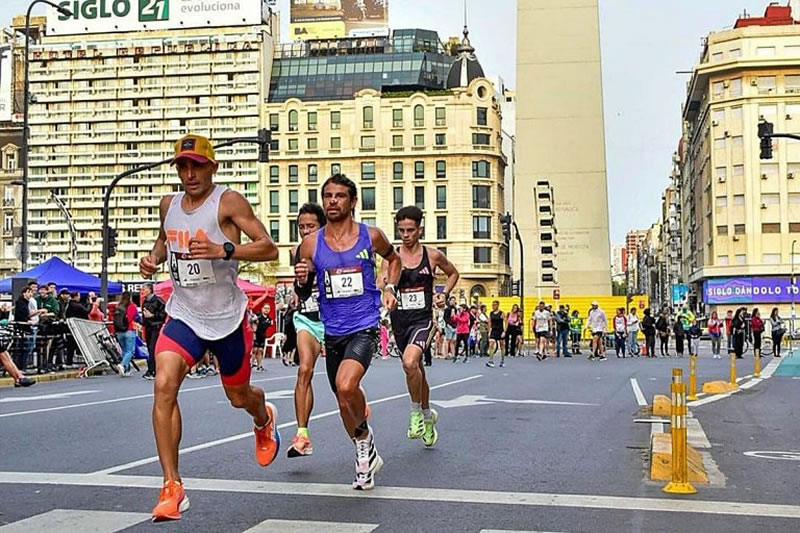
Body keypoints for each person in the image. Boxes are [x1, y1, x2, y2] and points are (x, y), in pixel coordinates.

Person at [139, 133, 280, 521]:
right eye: (182, 167)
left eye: (196, 166)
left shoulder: (228, 201)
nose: (189, 174)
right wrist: (151, 259)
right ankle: (172, 486)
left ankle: (262, 417)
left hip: (227, 318)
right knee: (164, 383)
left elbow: (269, 247)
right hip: (185, 313)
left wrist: (225, 250)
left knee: (239, 397)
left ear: (211, 168)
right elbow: (163, 242)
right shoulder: (168, 204)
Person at [294, 173, 401, 490]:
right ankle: (364, 445)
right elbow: (303, 293)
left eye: (339, 196)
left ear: (353, 202)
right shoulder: (311, 243)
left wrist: (390, 286)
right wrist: (302, 278)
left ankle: (364, 452)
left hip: (364, 326)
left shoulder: (371, 235)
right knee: (343, 400)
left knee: (346, 384)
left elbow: (393, 260)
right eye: (327, 195)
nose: (332, 201)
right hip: (333, 330)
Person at [380, 205, 459, 446]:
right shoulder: (391, 258)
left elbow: (453, 273)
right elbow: (381, 282)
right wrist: (385, 289)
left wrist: (443, 293)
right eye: (401, 230)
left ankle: (415, 412)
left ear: (420, 229)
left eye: (410, 230)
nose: (405, 235)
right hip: (400, 322)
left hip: (423, 320)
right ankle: (428, 416)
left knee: (409, 362)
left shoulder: (432, 255)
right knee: (416, 371)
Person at [287, 202, 328, 458]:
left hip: (334, 319)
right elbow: (301, 289)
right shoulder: (296, 251)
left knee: (341, 384)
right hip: (307, 318)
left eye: (310, 226)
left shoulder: (333, 248)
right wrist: (300, 285)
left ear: (322, 226)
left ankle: (359, 407)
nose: (304, 231)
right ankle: (302, 435)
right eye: (301, 227)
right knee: (305, 370)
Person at [141, 283, 166, 380]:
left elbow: (163, 314)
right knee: (149, 348)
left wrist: (153, 316)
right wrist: (142, 322)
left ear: (150, 289)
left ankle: (153, 370)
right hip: (148, 327)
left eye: (145, 288)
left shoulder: (158, 300)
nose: (143, 290)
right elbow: (144, 315)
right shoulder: (145, 301)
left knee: (152, 348)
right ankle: (151, 369)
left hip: (156, 326)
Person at [114, 291, 139, 377]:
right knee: (130, 351)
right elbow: (135, 318)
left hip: (119, 331)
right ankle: (123, 365)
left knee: (124, 350)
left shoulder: (118, 306)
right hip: (129, 330)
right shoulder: (132, 306)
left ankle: (126, 370)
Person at [252, 304, 273, 372]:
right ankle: (251, 364)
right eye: (265, 308)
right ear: (262, 308)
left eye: (268, 308)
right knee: (254, 350)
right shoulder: (258, 315)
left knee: (260, 350)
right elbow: (252, 321)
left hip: (262, 336)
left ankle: (259, 365)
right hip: (256, 335)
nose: (266, 310)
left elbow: (270, 324)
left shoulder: (269, 319)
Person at [488, 301, 505, 365]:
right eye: (492, 305)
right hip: (493, 330)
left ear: (498, 305)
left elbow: (506, 322)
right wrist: (489, 330)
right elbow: (489, 322)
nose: (493, 306)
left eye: (494, 305)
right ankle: (491, 360)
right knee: (491, 344)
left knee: (502, 345)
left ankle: (502, 360)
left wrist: (504, 331)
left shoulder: (501, 313)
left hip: (500, 330)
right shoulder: (491, 313)